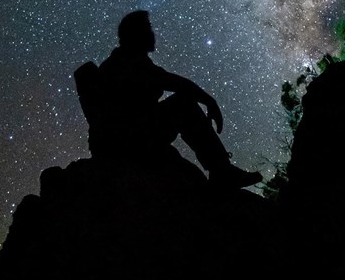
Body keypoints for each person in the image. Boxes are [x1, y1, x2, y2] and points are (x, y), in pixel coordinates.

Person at [83, 10, 262, 189]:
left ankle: (220, 170)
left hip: (129, 139)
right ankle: (222, 170)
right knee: (183, 104)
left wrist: (208, 100)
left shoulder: (129, 62)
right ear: (137, 34)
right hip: (128, 142)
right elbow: (174, 83)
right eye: (148, 29)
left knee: (182, 108)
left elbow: (170, 81)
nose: (153, 34)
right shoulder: (126, 63)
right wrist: (209, 101)